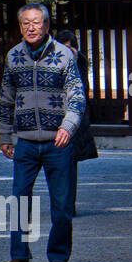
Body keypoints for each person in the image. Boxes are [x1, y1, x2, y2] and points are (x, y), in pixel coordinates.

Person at [0, 2, 87, 262]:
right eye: (26, 23)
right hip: (25, 141)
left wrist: (68, 127)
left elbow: (77, 96)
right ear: (20, 26)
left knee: (61, 203)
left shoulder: (64, 56)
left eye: (36, 22)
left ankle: (58, 258)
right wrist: (4, 135)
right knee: (19, 198)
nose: (31, 27)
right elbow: (5, 97)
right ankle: (19, 257)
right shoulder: (13, 56)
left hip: (57, 142)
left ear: (47, 25)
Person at [54, 30, 98, 165]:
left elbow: (84, 87)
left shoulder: (80, 60)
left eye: (70, 47)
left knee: (72, 157)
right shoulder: (52, 61)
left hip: (75, 112)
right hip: (57, 110)